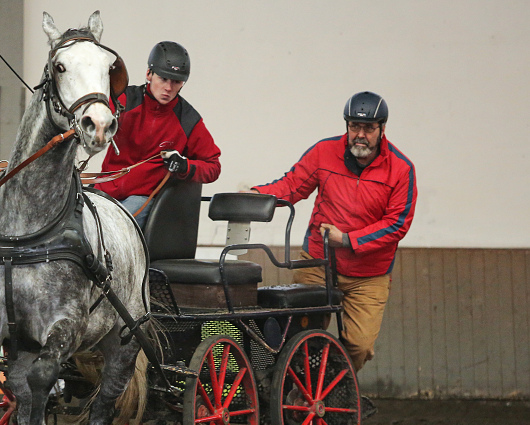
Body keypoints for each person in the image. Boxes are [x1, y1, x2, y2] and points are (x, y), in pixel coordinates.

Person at [248, 91, 417, 372]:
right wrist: (257, 195)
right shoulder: (323, 152)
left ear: (382, 129)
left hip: (368, 276)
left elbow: (398, 224)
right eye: (354, 127)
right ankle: (291, 387)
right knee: (296, 333)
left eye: (368, 128)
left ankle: (327, 388)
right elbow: (292, 185)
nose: (360, 134)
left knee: (359, 345)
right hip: (317, 264)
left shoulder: (401, 169)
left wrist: (349, 240)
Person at [98, 41, 221, 227]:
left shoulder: (189, 121)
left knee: (112, 227)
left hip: (142, 198)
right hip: (104, 190)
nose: (168, 88)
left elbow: (213, 166)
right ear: (149, 74)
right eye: (163, 78)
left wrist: (185, 166)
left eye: (176, 82)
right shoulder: (123, 101)